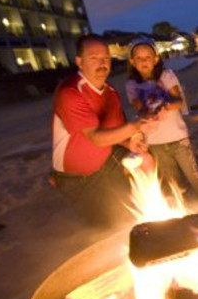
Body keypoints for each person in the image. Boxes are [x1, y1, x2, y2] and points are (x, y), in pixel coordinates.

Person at [51, 33, 152, 227]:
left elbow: (115, 132)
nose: (102, 63)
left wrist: (130, 141)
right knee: (109, 226)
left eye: (106, 58)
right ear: (79, 62)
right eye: (94, 58)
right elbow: (95, 138)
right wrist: (136, 126)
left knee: (134, 202)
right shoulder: (70, 92)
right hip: (78, 177)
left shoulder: (110, 92)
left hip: (106, 161)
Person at [125, 37, 198, 197]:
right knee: (173, 181)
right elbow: (139, 110)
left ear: (156, 59)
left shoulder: (166, 75)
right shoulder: (131, 84)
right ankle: (184, 208)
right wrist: (149, 114)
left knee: (195, 176)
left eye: (148, 57)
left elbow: (177, 101)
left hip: (178, 137)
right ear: (132, 61)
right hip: (155, 142)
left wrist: (165, 106)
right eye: (139, 58)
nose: (144, 61)